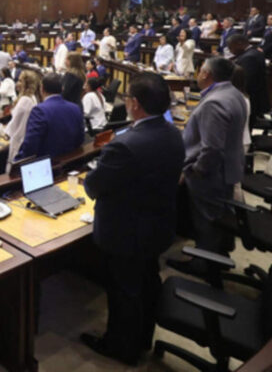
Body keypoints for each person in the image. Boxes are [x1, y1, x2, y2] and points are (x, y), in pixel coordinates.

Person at [81, 73, 185, 366]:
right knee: (147, 283)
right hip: (157, 226)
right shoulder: (172, 132)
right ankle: (142, 339)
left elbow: (94, 186)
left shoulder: (125, 145)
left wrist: (92, 175)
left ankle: (120, 347)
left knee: (123, 291)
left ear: (135, 104)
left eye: (127, 98)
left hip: (125, 233)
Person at [170, 58, 246, 275]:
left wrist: (196, 171)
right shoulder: (234, 93)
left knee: (206, 221)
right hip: (228, 168)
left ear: (206, 74)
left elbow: (212, 149)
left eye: (200, 70)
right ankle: (219, 257)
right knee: (218, 216)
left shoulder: (214, 102)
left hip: (211, 175)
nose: (197, 73)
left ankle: (203, 265)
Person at [18, 73, 84, 159]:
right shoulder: (75, 108)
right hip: (69, 160)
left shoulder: (39, 110)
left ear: (42, 89)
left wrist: (17, 161)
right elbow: (80, 139)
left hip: (46, 163)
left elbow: (30, 145)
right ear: (62, 89)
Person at [228, 34, 270, 126]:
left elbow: (246, 82)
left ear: (239, 43)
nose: (231, 51)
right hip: (254, 99)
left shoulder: (249, 57)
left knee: (244, 130)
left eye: (231, 47)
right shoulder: (254, 52)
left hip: (251, 101)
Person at [5, 70, 39, 173]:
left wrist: (4, 132)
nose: (17, 83)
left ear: (27, 84)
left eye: (20, 81)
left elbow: (14, 125)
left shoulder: (24, 100)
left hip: (18, 141)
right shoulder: (32, 97)